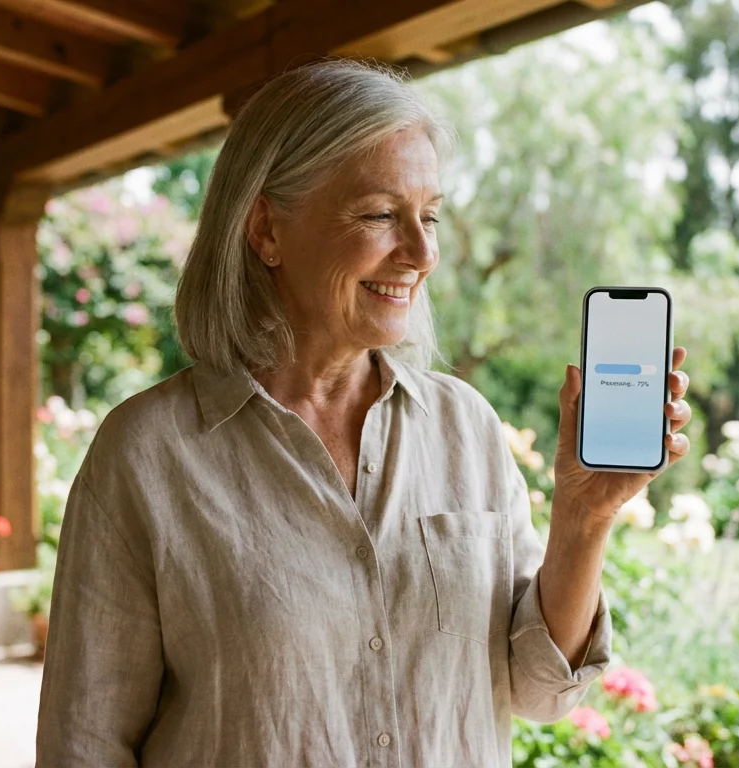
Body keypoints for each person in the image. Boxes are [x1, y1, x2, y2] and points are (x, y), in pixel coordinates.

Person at [35, 59, 693, 767]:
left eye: (430, 215)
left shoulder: (464, 427)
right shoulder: (147, 454)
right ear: (266, 229)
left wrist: (585, 518)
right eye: (381, 214)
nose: (422, 252)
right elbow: (85, 742)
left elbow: (540, 691)